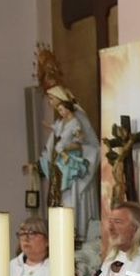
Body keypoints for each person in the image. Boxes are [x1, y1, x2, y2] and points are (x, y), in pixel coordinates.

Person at [37, 72, 100, 235]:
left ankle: (78, 235)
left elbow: (92, 146)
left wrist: (74, 150)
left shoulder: (78, 117)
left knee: (73, 205)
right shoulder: (60, 121)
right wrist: (42, 162)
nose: (50, 102)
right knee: (63, 204)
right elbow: (53, 144)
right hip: (61, 169)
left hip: (76, 175)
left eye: (52, 98)